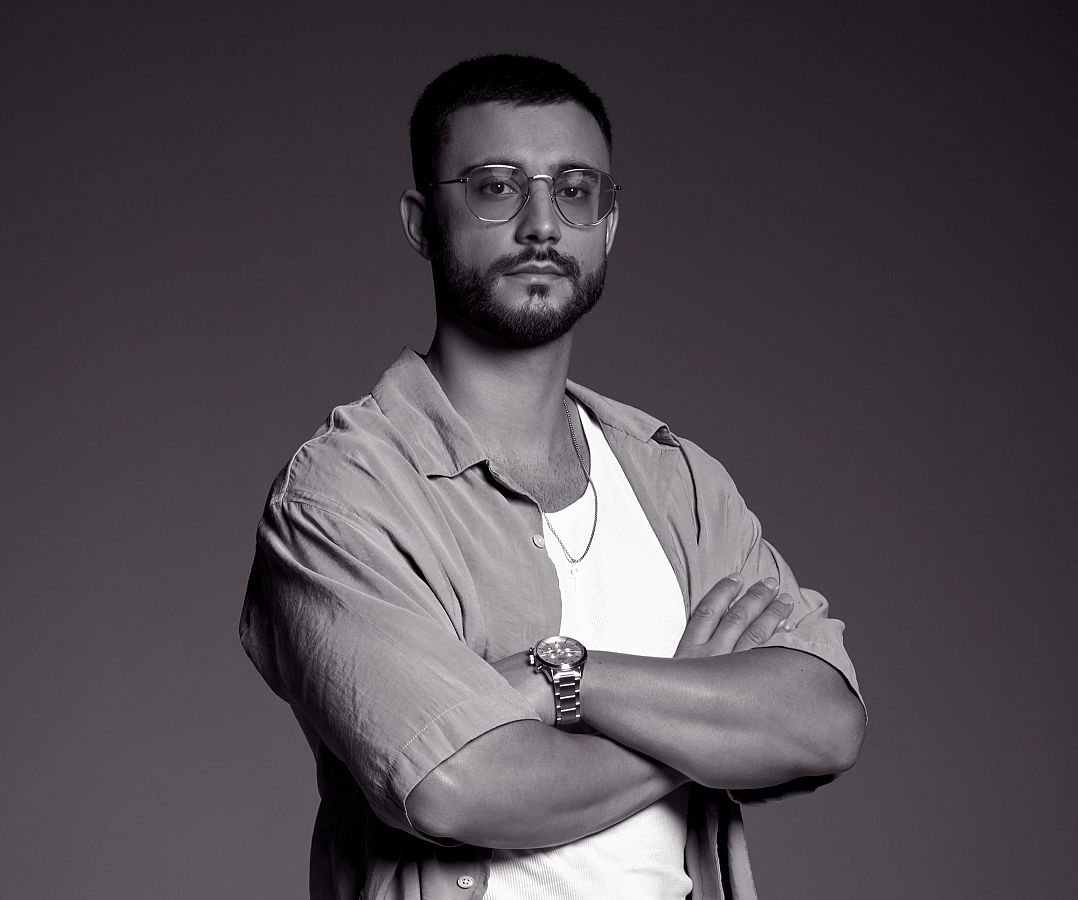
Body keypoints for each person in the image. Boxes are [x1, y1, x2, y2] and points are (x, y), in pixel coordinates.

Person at [241, 54, 866, 900]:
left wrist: (561, 678)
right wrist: (692, 714)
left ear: (607, 224)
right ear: (422, 222)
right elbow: (458, 786)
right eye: (497, 187)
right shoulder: (345, 493)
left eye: (575, 189)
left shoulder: (676, 481)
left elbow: (823, 722)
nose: (542, 224)